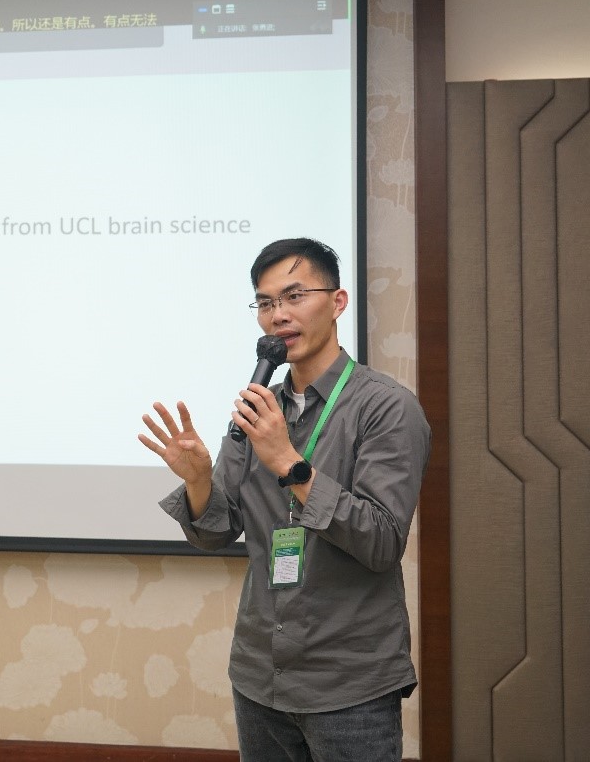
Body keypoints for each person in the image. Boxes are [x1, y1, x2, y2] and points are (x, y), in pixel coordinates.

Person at [139, 237, 430, 762]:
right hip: (260, 674)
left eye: (295, 296)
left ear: (337, 302)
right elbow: (215, 532)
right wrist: (200, 481)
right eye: (266, 302)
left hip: (348, 683)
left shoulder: (386, 408)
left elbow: (383, 542)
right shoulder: (257, 410)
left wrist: (290, 465)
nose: (278, 315)